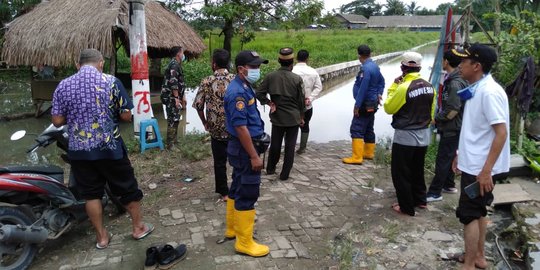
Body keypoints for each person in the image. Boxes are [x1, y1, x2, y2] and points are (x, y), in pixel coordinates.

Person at [51, 49, 154, 249]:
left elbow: (56, 121)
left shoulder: (63, 85)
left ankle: (102, 238)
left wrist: (75, 115)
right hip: (109, 148)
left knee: (91, 194)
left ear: (78, 65)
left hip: (80, 151)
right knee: (127, 187)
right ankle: (138, 228)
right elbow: (126, 116)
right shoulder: (111, 82)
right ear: (100, 63)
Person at [451, 44, 509, 270]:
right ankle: (479, 257)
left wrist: (485, 171)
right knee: (479, 211)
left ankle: (468, 265)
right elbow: (476, 130)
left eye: (464, 62)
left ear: (476, 66)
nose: (460, 65)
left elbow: (501, 133)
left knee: (468, 215)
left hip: (479, 168)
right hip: (474, 162)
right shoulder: (477, 87)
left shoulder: (489, 92)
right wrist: (459, 154)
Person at [223, 50, 270, 257]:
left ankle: (233, 229)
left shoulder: (243, 85)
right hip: (245, 149)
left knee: (237, 187)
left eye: (259, 66)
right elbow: (241, 127)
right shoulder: (238, 92)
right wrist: (254, 155)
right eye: (254, 67)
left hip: (242, 148)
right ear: (241, 69)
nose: (257, 70)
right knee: (248, 192)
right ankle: (244, 242)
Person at [384, 51, 435, 216]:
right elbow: (432, 111)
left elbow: (388, 107)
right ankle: (421, 200)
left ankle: (406, 207)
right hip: (424, 136)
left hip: (405, 136)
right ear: (419, 67)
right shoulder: (429, 85)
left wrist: (393, 86)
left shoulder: (403, 87)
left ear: (402, 68)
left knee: (401, 172)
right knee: (417, 170)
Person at [192, 49, 235, 201]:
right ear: (228, 63)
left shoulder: (206, 81)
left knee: (219, 162)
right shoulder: (236, 80)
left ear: (214, 64)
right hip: (235, 128)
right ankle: (237, 187)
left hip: (215, 129)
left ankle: (224, 193)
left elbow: (198, 105)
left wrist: (205, 122)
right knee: (237, 160)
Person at [257, 47, 305, 180]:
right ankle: (285, 174)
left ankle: (271, 169)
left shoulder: (270, 77)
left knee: (276, 144)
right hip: (293, 118)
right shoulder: (297, 79)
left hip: (277, 117)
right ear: (292, 62)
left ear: (279, 60)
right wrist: (301, 117)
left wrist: (268, 102)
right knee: (290, 147)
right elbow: (301, 101)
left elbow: (259, 93)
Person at [426, 50, 468, 202]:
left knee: (443, 159)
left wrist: (436, 119)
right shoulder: (455, 79)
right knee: (449, 157)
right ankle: (449, 185)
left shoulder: (455, 83)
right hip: (454, 127)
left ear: (446, 62)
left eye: (443, 60)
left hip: (452, 128)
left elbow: (453, 110)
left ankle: (434, 192)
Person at [342, 44, 385, 164]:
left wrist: (357, 105)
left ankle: (356, 158)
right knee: (368, 127)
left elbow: (363, 88)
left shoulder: (365, 69)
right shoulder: (375, 66)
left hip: (365, 103)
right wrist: (379, 93)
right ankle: (369, 153)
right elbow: (382, 81)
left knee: (357, 128)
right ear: (370, 54)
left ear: (359, 55)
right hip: (373, 102)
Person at [292, 49, 323, 154]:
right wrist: (310, 98)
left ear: (296, 58)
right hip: (307, 105)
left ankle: (289, 147)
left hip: (292, 105)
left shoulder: (291, 71)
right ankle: (302, 148)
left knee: (291, 126)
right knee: (305, 125)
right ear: (307, 59)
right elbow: (319, 87)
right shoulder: (313, 71)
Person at [161, 46, 186, 150]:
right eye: (182, 53)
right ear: (178, 54)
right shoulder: (174, 65)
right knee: (172, 119)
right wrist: (176, 97)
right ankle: (170, 145)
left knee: (176, 118)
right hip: (171, 97)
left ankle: (174, 140)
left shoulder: (176, 64)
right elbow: (173, 82)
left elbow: (180, 82)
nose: (183, 55)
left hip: (175, 96)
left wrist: (182, 96)